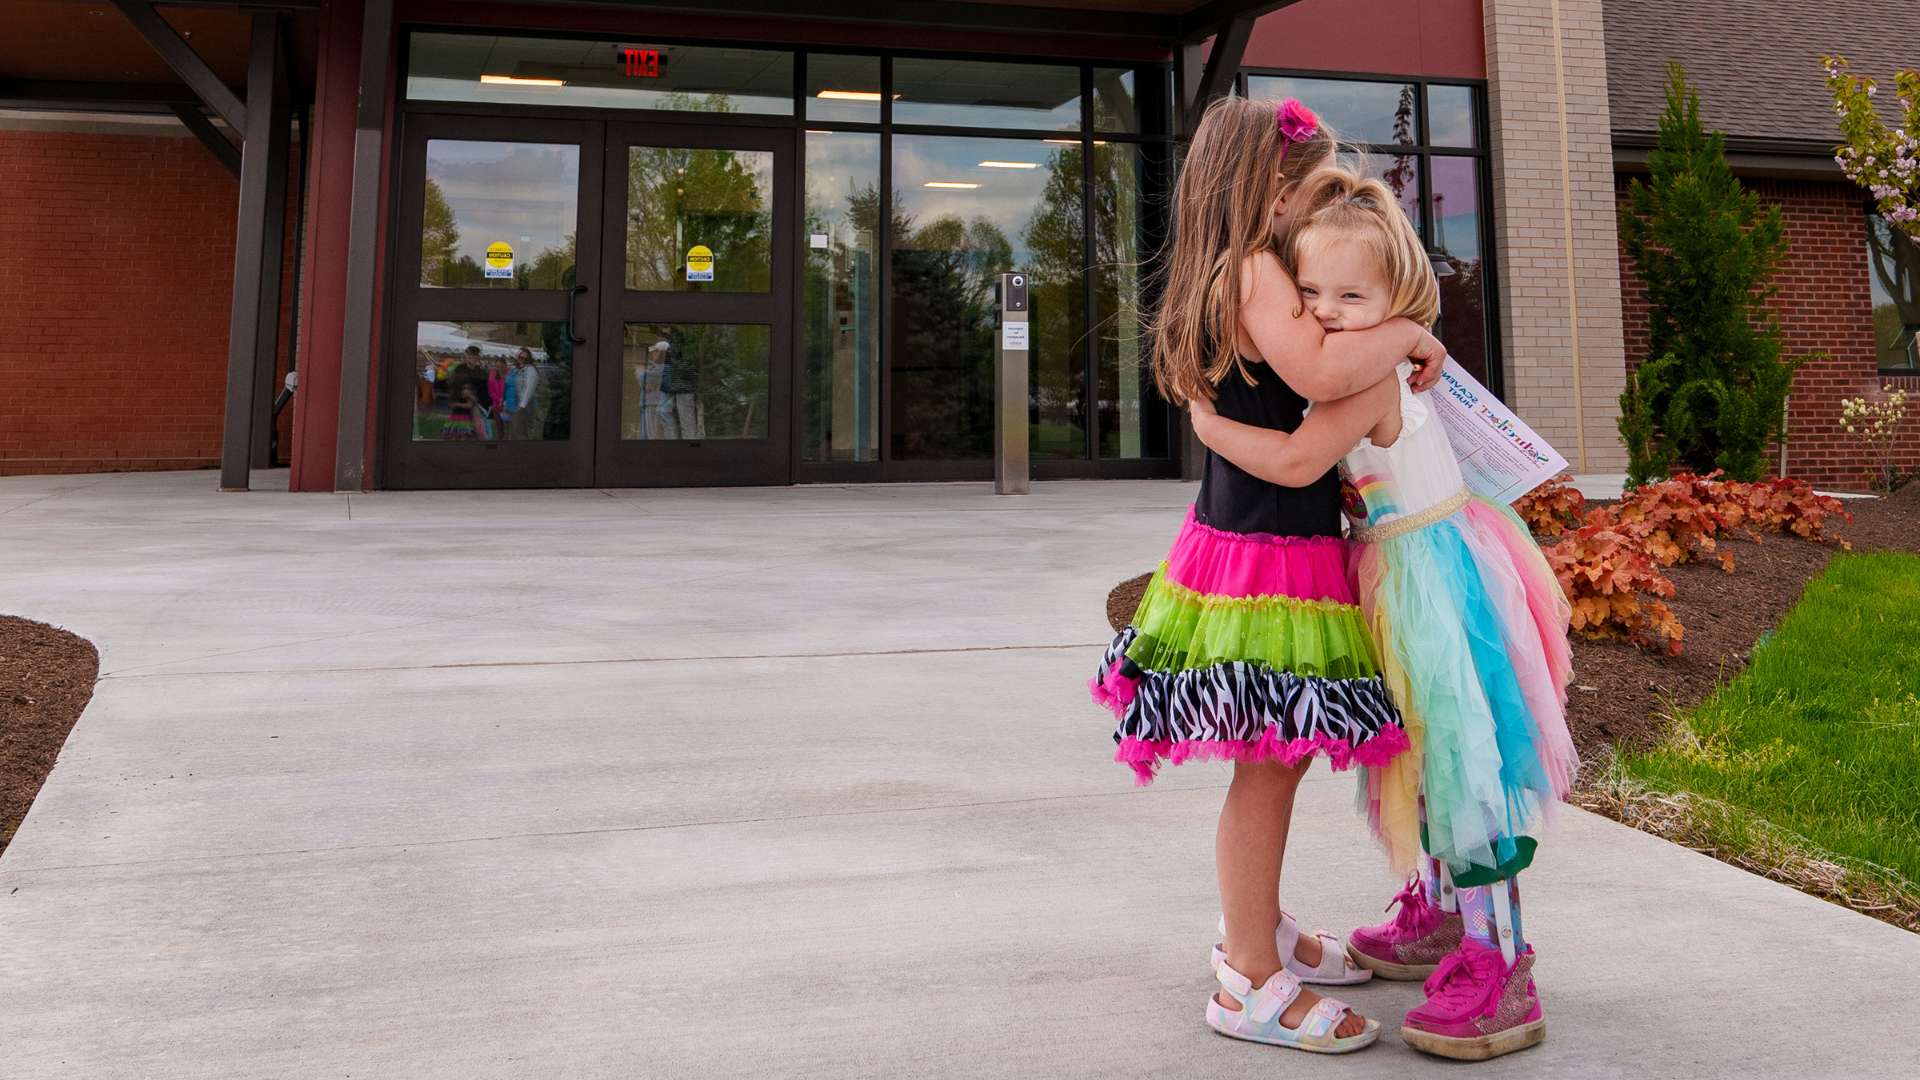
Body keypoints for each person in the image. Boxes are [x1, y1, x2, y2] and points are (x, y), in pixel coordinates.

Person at [1186, 165, 1578, 1061]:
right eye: (1311, 292)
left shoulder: (1363, 381)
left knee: (1462, 773)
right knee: (1430, 759)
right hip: (1403, 571)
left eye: (1351, 294)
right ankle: (1443, 918)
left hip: (1429, 583)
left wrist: (1208, 430)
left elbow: (1291, 464)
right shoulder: (1379, 356)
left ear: (1398, 293)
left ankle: (1502, 963)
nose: (1325, 312)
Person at [1089, 96, 1448, 1055]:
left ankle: (1259, 923)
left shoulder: (1240, 268)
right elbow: (1326, 374)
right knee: (1268, 766)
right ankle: (1248, 973)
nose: (1310, 214)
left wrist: (1403, 337)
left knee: (1273, 761)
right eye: (1302, 190)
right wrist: (1411, 330)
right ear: (1265, 190)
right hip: (1264, 562)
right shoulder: (1253, 268)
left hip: (1259, 544)